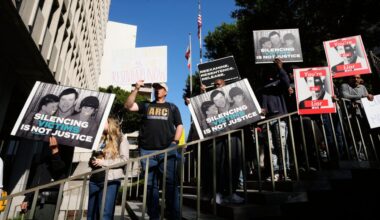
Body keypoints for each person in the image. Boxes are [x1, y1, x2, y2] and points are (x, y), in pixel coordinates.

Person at [124, 80, 183, 220]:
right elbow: (128, 106)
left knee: (171, 184)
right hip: (147, 151)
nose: (158, 90)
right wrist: (136, 89)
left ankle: (174, 215)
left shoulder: (172, 107)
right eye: (156, 88)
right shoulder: (146, 105)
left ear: (166, 92)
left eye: (161, 88)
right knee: (150, 186)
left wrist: (174, 142)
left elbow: (179, 125)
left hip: (167, 151)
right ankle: (154, 216)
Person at [87, 117, 129, 220]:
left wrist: (104, 162)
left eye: (103, 122)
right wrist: (93, 161)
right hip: (94, 179)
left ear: (109, 123)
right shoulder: (100, 138)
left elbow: (124, 159)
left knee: (105, 215)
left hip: (110, 180)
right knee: (91, 215)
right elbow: (95, 157)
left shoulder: (121, 138)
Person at [259, 58, 293, 181]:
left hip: (280, 118)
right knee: (271, 147)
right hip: (266, 121)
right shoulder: (260, 88)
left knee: (281, 145)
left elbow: (286, 81)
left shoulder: (279, 83)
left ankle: (285, 171)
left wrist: (280, 67)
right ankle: (275, 172)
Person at [20, 136, 67, 219]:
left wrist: (55, 150)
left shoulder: (62, 159)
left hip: (48, 200)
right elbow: (35, 182)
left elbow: (58, 166)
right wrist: (26, 199)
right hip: (34, 199)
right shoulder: (42, 163)